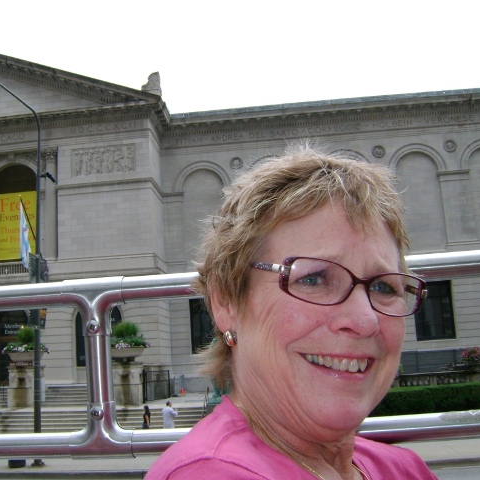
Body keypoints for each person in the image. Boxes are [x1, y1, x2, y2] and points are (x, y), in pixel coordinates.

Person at [146, 143, 435, 479]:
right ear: (226, 301)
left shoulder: (404, 468)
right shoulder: (209, 474)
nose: (364, 320)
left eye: (383, 287)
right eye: (313, 279)